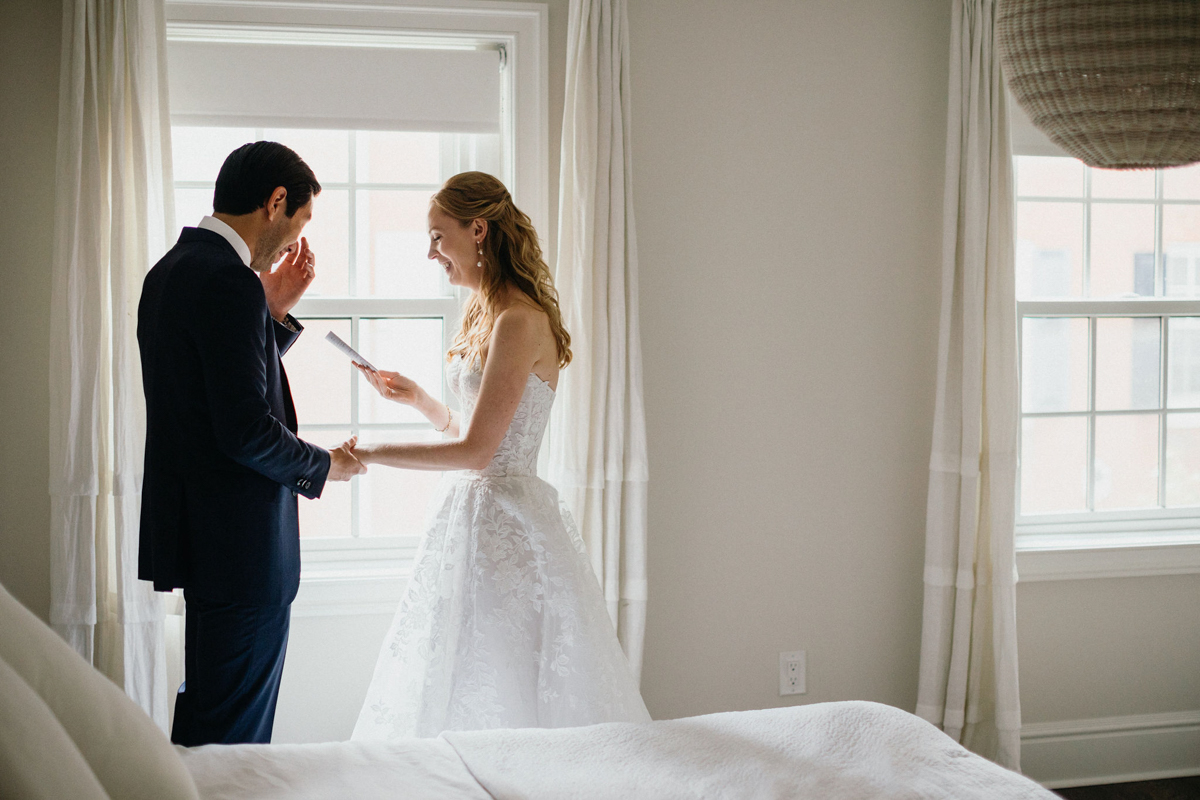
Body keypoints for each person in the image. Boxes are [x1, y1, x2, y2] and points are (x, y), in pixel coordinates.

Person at [350, 171, 650, 740]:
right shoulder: (484, 314)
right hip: (470, 520)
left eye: (439, 236)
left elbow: (480, 451)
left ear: (478, 229)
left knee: (506, 673)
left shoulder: (520, 321)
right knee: (455, 671)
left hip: (507, 524)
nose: (431, 252)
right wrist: (417, 398)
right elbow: (473, 430)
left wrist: (370, 452)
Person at [137, 141, 366, 746]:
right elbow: (244, 428)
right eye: (299, 223)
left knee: (209, 720)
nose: (294, 244)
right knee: (233, 743)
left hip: (200, 538)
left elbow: (205, 392)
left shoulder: (171, 272)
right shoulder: (229, 281)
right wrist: (325, 467)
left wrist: (273, 317)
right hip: (241, 548)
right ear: (276, 202)